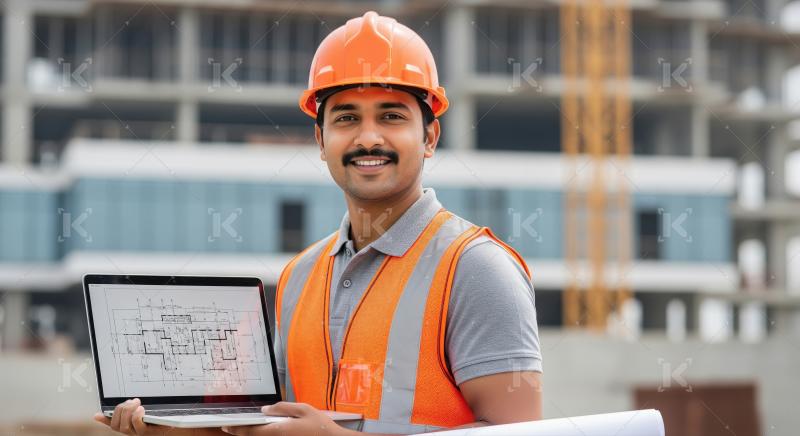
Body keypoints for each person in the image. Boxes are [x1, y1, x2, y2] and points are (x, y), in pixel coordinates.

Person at [96, 10, 542, 436]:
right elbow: (273, 426)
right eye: (347, 118)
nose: (368, 137)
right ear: (321, 139)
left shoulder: (476, 269)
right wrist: (177, 430)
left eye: (391, 116)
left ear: (429, 137)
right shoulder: (299, 276)